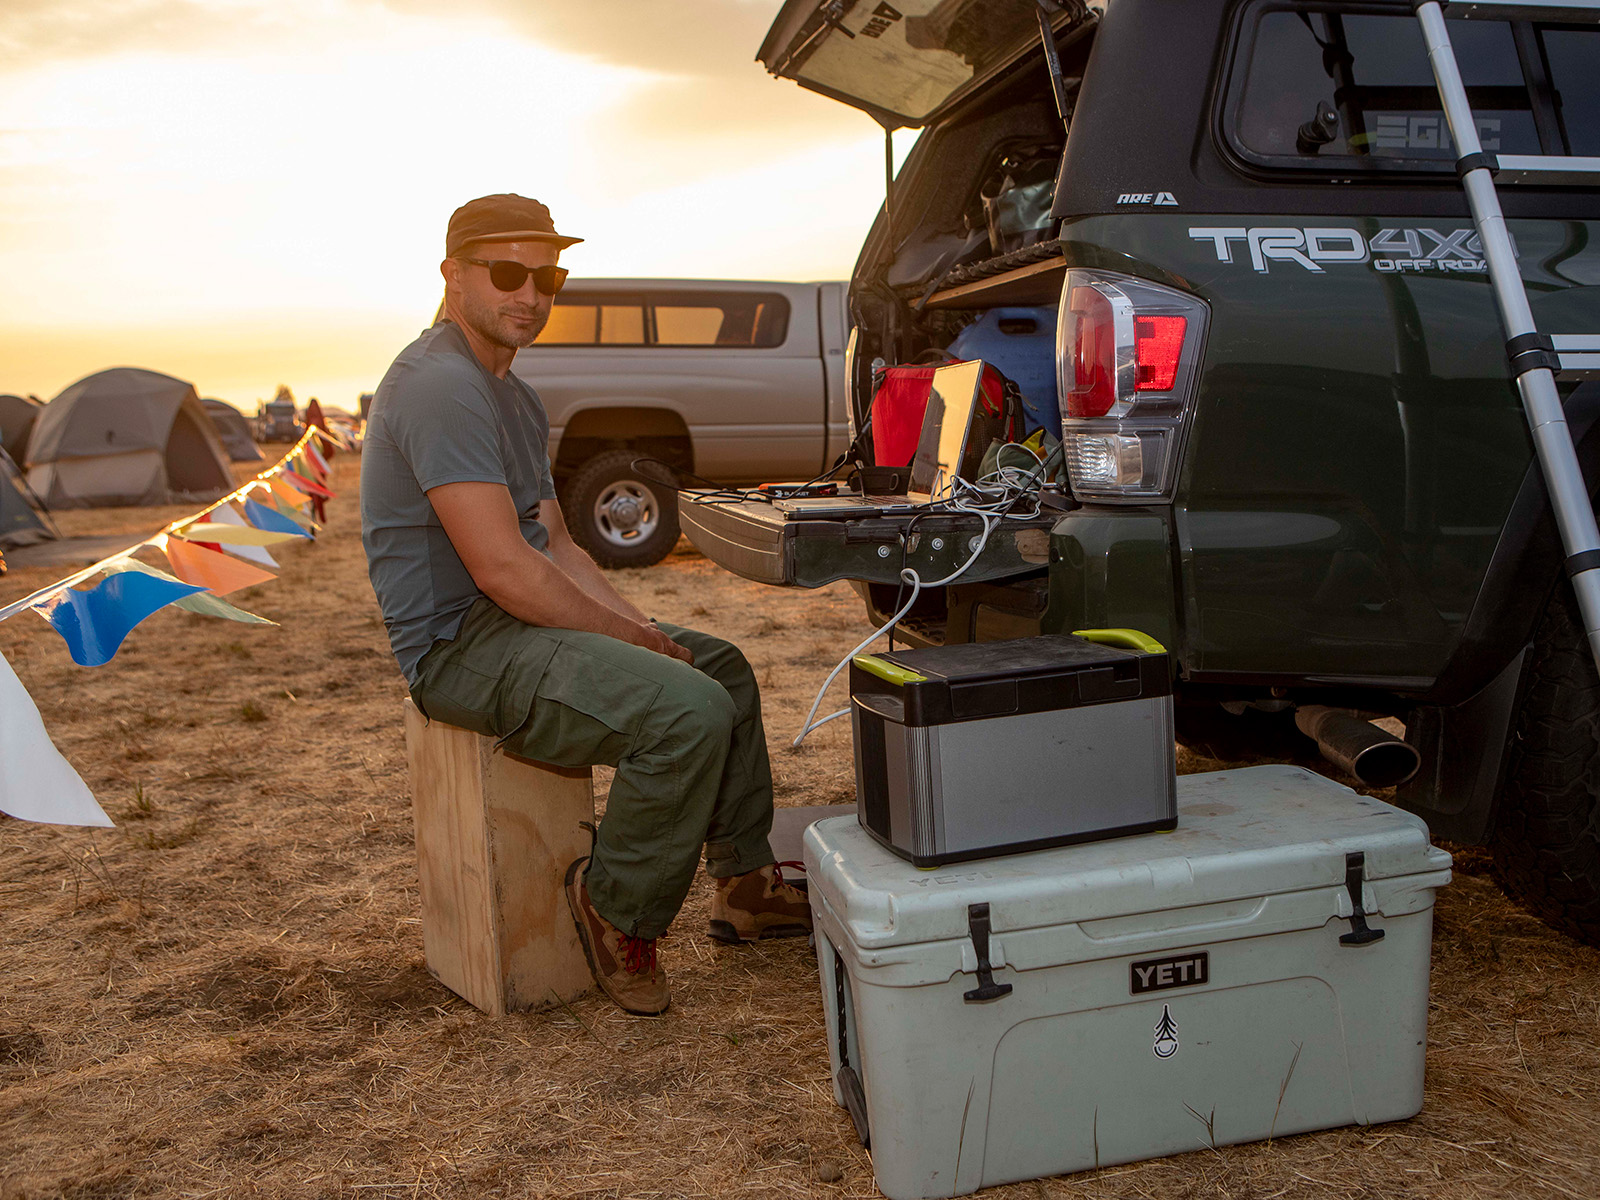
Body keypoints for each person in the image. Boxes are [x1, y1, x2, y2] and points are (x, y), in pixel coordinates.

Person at [360, 195, 809, 1016]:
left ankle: (745, 886)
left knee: (721, 669)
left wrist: (639, 631)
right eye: (507, 273)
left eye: (548, 275)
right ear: (452, 276)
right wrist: (633, 644)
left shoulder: (513, 394)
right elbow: (502, 568)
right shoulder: (440, 386)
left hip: (515, 624)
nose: (531, 294)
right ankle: (616, 908)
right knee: (687, 711)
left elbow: (559, 548)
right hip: (459, 648)